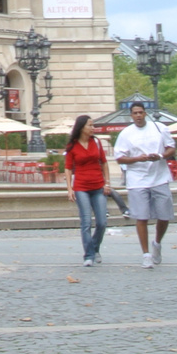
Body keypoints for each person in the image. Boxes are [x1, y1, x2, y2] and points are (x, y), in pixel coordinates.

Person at [113, 101, 176, 268]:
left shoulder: (159, 128)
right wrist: (137, 159)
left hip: (159, 177)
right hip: (137, 180)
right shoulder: (126, 133)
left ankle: (157, 243)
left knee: (164, 215)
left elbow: (171, 147)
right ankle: (146, 254)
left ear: (145, 113)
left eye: (141, 112)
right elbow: (119, 157)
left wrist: (161, 156)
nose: (138, 115)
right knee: (141, 217)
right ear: (131, 115)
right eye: (135, 113)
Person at [64, 114, 110, 266]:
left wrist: (107, 182)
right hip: (81, 187)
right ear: (82, 127)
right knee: (86, 222)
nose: (93, 128)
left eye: (93, 125)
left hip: (98, 186)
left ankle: (95, 247)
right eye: (90, 125)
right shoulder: (72, 146)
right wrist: (70, 188)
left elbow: (104, 163)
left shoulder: (96, 142)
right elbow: (68, 168)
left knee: (102, 222)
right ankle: (88, 255)